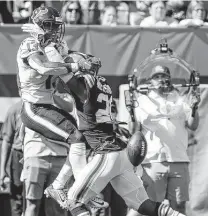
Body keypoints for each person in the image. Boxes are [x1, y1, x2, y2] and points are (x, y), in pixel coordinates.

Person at [44, 52, 186, 216]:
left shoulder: (84, 88)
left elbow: (61, 71)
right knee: (144, 205)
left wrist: (51, 50)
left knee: (73, 200)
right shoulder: (103, 85)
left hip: (106, 154)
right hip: (120, 155)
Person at [17, 5, 97, 199]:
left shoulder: (57, 45)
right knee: (76, 138)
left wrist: (85, 59)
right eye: (48, 25)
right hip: (33, 108)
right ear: (37, 26)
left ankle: (60, 186)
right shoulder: (29, 45)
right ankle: (81, 190)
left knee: (81, 140)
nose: (53, 30)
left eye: (56, 26)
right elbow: (45, 67)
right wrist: (77, 64)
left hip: (48, 105)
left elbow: (68, 59)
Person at [127, 65, 200, 216]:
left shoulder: (180, 99)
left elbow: (193, 125)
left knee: (179, 207)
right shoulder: (142, 100)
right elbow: (133, 129)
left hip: (179, 159)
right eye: (157, 77)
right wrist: (131, 111)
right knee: (152, 207)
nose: (161, 79)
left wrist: (194, 108)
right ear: (150, 81)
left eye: (164, 76)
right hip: (153, 161)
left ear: (169, 79)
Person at [0, 100, 23, 216]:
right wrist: (2, 170)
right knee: (17, 199)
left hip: (41, 157)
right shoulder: (15, 109)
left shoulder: (48, 106)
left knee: (39, 200)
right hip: (19, 157)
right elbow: (7, 141)